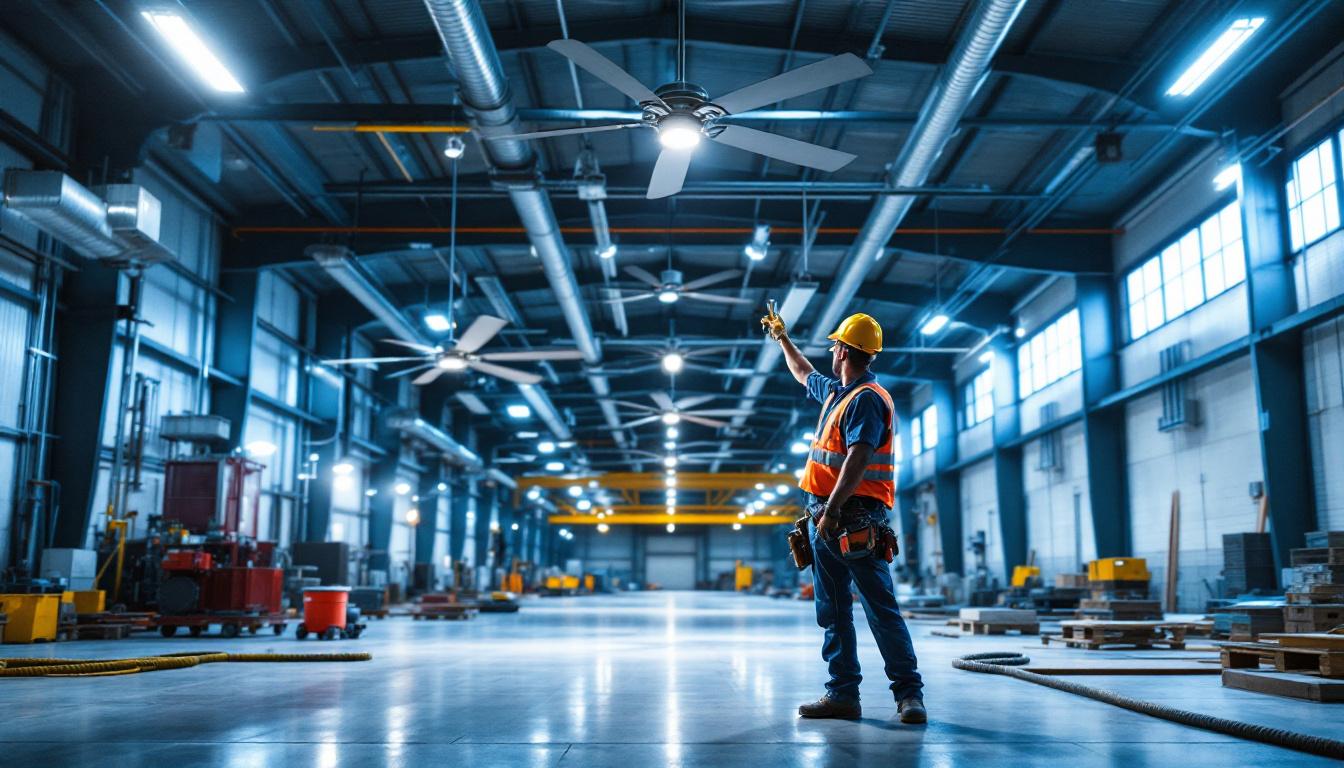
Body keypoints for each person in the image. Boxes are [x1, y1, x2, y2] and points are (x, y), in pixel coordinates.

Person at [761, 309, 925, 724]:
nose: (831, 350)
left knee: (880, 610)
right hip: (824, 518)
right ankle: (842, 695)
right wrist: (782, 338)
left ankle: (909, 696)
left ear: (844, 351)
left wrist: (833, 510)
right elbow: (802, 373)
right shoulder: (838, 394)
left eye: (835, 344)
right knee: (832, 611)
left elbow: (859, 455)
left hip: (852, 519)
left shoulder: (867, 399)